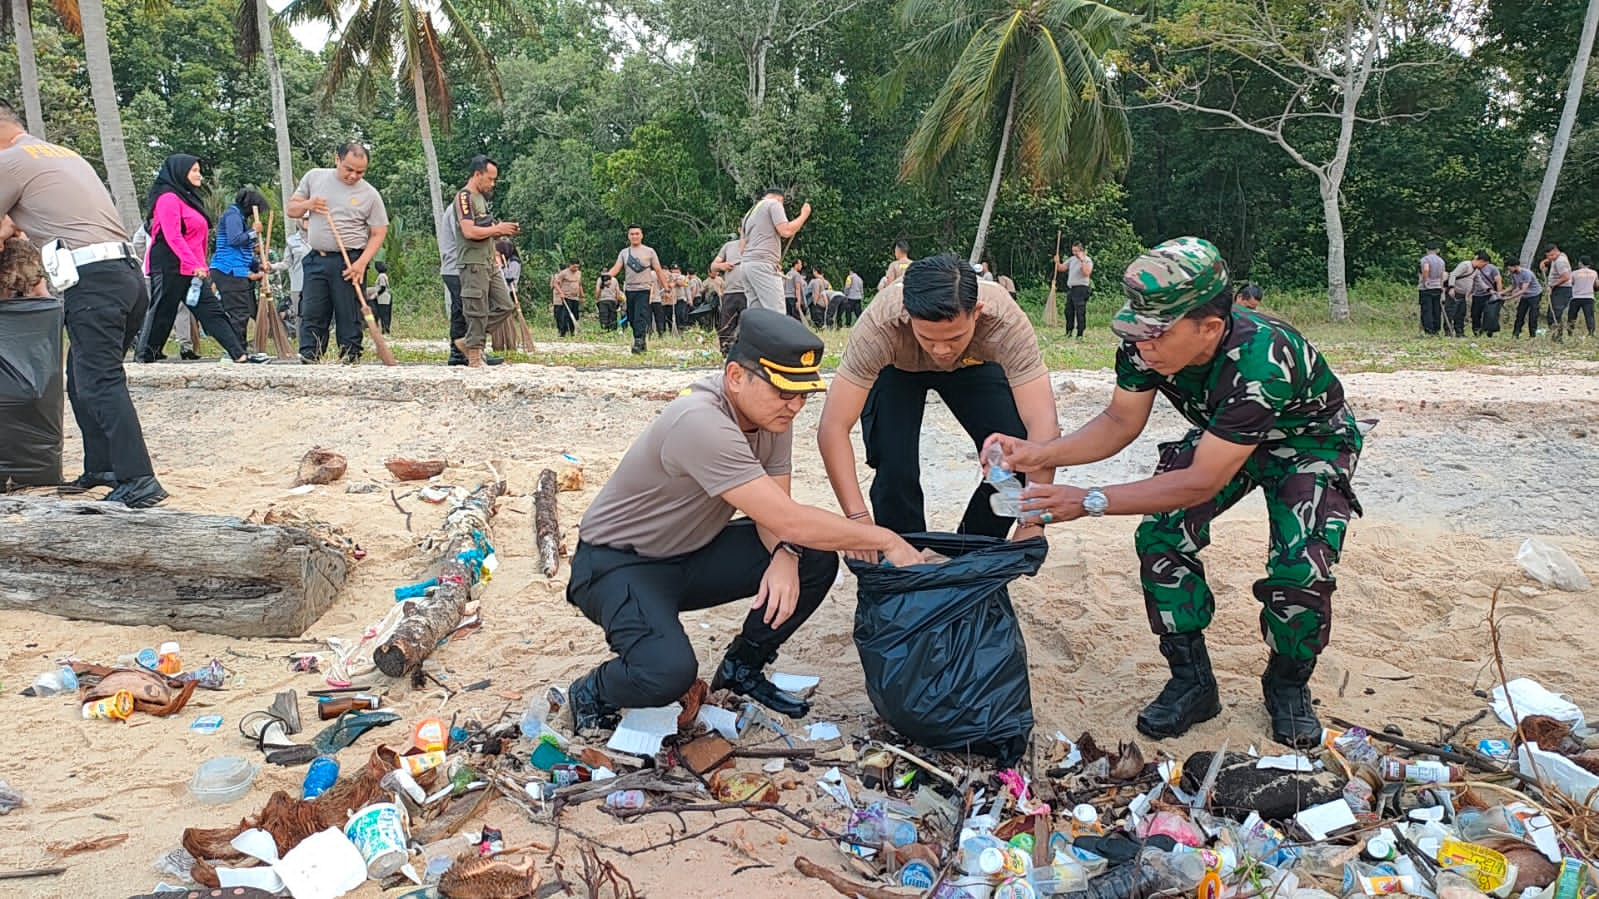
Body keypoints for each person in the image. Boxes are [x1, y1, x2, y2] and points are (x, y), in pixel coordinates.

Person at [988, 237, 1363, 748]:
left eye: (1157, 335)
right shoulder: (1145, 341)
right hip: (1222, 436)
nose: (1143, 346)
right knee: (1162, 535)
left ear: (1209, 326)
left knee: (1302, 569)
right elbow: (1120, 421)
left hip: (1307, 444)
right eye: (1137, 332)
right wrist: (1040, 455)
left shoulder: (1261, 360)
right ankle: (1192, 682)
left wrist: (1090, 500)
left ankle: (1287, 684)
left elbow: (1201, 480)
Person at [565, 309, 922, 731]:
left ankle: (741, 668)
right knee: (667, 672)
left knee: (813, 558)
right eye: (784, 392)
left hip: (692, 552)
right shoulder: (700, 421)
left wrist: (787, 555)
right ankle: (591, 690)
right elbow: (787, 517)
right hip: (617, 565)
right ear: (736, 376)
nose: (795, 405)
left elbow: (777, 510)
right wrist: (886, 539)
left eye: (804, 394)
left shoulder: (772, 417)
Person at [817, 253, 1059, 541]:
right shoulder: (880, 326)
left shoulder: (1005, 322)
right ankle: (905, 552)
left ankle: (975, 549)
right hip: (897, 368)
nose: (941, 350)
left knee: (1015, 454)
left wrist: (1032, 521)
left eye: (954, 337)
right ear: (907, 314)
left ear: (977, 312)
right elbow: (833, 427)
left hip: (973, 364)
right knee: (894, 466)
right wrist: (858, 520)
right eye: (929, 338)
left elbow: (1043, 425)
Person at [0, 99, 167, 507]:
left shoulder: (11, 162)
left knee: (101, 379)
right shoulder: (58, 155)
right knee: (81, 374)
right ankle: (103, 467)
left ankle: (140, 479)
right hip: (125, 277)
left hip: (95, 282)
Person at [139, 155, 268, 367]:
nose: (199, 175)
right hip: (169, 263)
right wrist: (194, 264)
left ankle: (239, 354)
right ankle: (145, 355)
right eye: (194, 171)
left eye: (199, 170)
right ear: (180, 173)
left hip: (192, 268)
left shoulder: (189, 199)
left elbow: (197, 238)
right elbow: (173, 236)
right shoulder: (168, 198)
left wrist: (200, 265)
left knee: (212, 311)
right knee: (163, 310)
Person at [287, 142, 389, 364]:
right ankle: (310, 355)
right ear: (337, 160)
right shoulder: (315, 177)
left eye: (360, 172)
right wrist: (310, 204)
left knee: (348, 312)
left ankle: (349, 356)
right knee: (313, 308)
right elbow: (292, 209)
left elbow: (379, 232)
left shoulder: (370, 194)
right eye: (349, 169)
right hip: (317, 257)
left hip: (350, 260)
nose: (353, 176)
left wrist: (362, 263)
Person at [447, 156, 518, 367]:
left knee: (505, 305)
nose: (492, 183)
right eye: (490, 179)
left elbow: (484, 230)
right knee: (475, 309)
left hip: (489, 261)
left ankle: (467, 342)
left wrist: (503, 231)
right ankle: (475, 358)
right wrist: (497, 229)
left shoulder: (482, 199)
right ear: (477, 175)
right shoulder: (464, 197)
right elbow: (469, 231)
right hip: (473, 263)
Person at [209, 188, 270, 350]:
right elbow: (235, 240)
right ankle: (237, 350)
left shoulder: (240, 218)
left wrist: (258, 266)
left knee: (241, 312)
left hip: (237, 270)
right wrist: (253, 232)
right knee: (238, 312)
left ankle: (239, 349)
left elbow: (244, 252)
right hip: (228, 269)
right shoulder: (233, 215)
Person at [740, 187, 810, 314]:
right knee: (777, 313)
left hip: (746, 266)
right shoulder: (774, 204)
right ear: (780, 199)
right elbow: (786, 231)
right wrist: (803, 215)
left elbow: (742, 248)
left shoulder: (749, 213)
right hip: (763, 266)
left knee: (757, 315)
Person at [604, 225, 670, 354]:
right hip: (630, 289)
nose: (634, 236)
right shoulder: (624, 252)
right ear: (628, 236)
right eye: (632, 234)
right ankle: (641, 341)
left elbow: (658, 269)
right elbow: (617, 267)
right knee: (632, 317)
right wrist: (608, 276)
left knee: (640, 315)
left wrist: (666, 287)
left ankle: (638, 341)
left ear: (642, 235)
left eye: (637, 234)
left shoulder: (649, 251)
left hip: (644, 289)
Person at [711, 232, 747, 353]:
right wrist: (722, 266)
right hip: (731, 291)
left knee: (748, 324)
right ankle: (725, 349)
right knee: (726, 323)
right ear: (739, 229)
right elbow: (713, 266)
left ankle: (746, 352)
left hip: (749, 292)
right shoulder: (729, 246)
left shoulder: (757, 244)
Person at [1055, 241, 1094, 339]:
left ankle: (1080, 333)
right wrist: (1057, 262)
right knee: (1068, 311)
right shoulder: (1071, 259)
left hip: (1081, 288)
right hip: (1072, 288)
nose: (1074, 253)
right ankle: (1068, 331)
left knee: (1080, 311)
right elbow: (1062, 268)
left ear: (1082, 251)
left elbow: (1086, 273)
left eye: (1076, 251)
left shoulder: (1087, 260)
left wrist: (1082, 260)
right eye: (1073, 251)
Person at [1540, 243, 1572, 342]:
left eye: (1551, 255)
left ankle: (1558, 337)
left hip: (1562, 289)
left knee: (1554, 314)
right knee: (1552, 313)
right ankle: (1555, 336)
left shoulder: (1560, 261)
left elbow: (1566, 277)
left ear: (1555, 251)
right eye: (1547, 256)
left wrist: (1552, 285)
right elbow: (1551, 259)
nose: (1550, 258)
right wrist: (1544, 262)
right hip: (1558, 289)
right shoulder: (1560, 256)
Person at [1504, 258, 1542, 339]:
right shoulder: (1513, 274)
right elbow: (1513, 286)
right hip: (1525, 295)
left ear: (1515, 266)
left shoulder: (1526, 273)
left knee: (1533, 315)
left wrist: (1510, 297)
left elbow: (1523, 289)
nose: (1509, 270)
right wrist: (1502, 292)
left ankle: (1532, 335)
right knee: (1520, 314)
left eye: (1509, 267)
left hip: (1534, 295)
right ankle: (1515, 334)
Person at [1468, 251, 1503, 337]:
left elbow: (1498, 281)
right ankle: (1476, 331)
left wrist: (1499, 294)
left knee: (1489, 314)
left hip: (1489, 295)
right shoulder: (1473, 267)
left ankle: (1488, 331)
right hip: (1477, 294)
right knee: (1475, 314)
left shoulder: (1492, 268)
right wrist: (1469, 292)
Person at [1418, 242, 1446, 336]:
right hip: (1437, 286)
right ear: (1437, 250)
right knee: (1436, 309)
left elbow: (1426, 269)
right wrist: (1441, 285)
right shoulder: (1441, 261)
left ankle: (1428, 330)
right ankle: (1436, 329)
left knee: (1427, 309)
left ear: (1427, 250)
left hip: (1427, 287)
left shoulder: (1425, 259)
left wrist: (1425, 281)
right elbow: (1443, 274)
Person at [552, 259, 584, 337]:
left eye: (577, 267)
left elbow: (579, 285)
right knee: (565, 315)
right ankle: (562, 332)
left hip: (575, 297)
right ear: (570, 265)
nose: (575, 269)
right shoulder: (563, 273)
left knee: (575, 315)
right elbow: (555, 283)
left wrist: (582, 296)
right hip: (566, 297)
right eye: (574, 267)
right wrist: (561, 293)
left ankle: (572, 331)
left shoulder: (579, 273)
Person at [1444, 256, 1473, 337]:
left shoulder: (1476, 270)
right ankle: (1448, 332)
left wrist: (1489, 290)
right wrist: (1451, 287)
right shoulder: (1466, 265)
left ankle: (1459, 332)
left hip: (1463, 294)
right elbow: (1453, 274)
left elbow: (1478, 281)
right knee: (1450, 312)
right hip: (1454, 292)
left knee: (1461, 314)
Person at [1569, 257, 1597, 338]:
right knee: (1589, 316)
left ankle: (1570, 332)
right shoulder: (1594, 273)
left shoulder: (1574, 273)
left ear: (1581, 263)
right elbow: (1596, 285)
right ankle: (1591, 332)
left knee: (1572, 316)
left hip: (1576, 297)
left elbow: (1571, 283)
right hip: (1589, 297)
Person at [365, 260, 392, 335]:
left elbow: (382, 288)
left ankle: (385, 330)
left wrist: (375, 294)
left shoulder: (381, 276)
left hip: (383, 298)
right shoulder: (383, 275)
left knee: (384, 314)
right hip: (384, 297)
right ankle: (385, 329)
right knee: (385, 314)